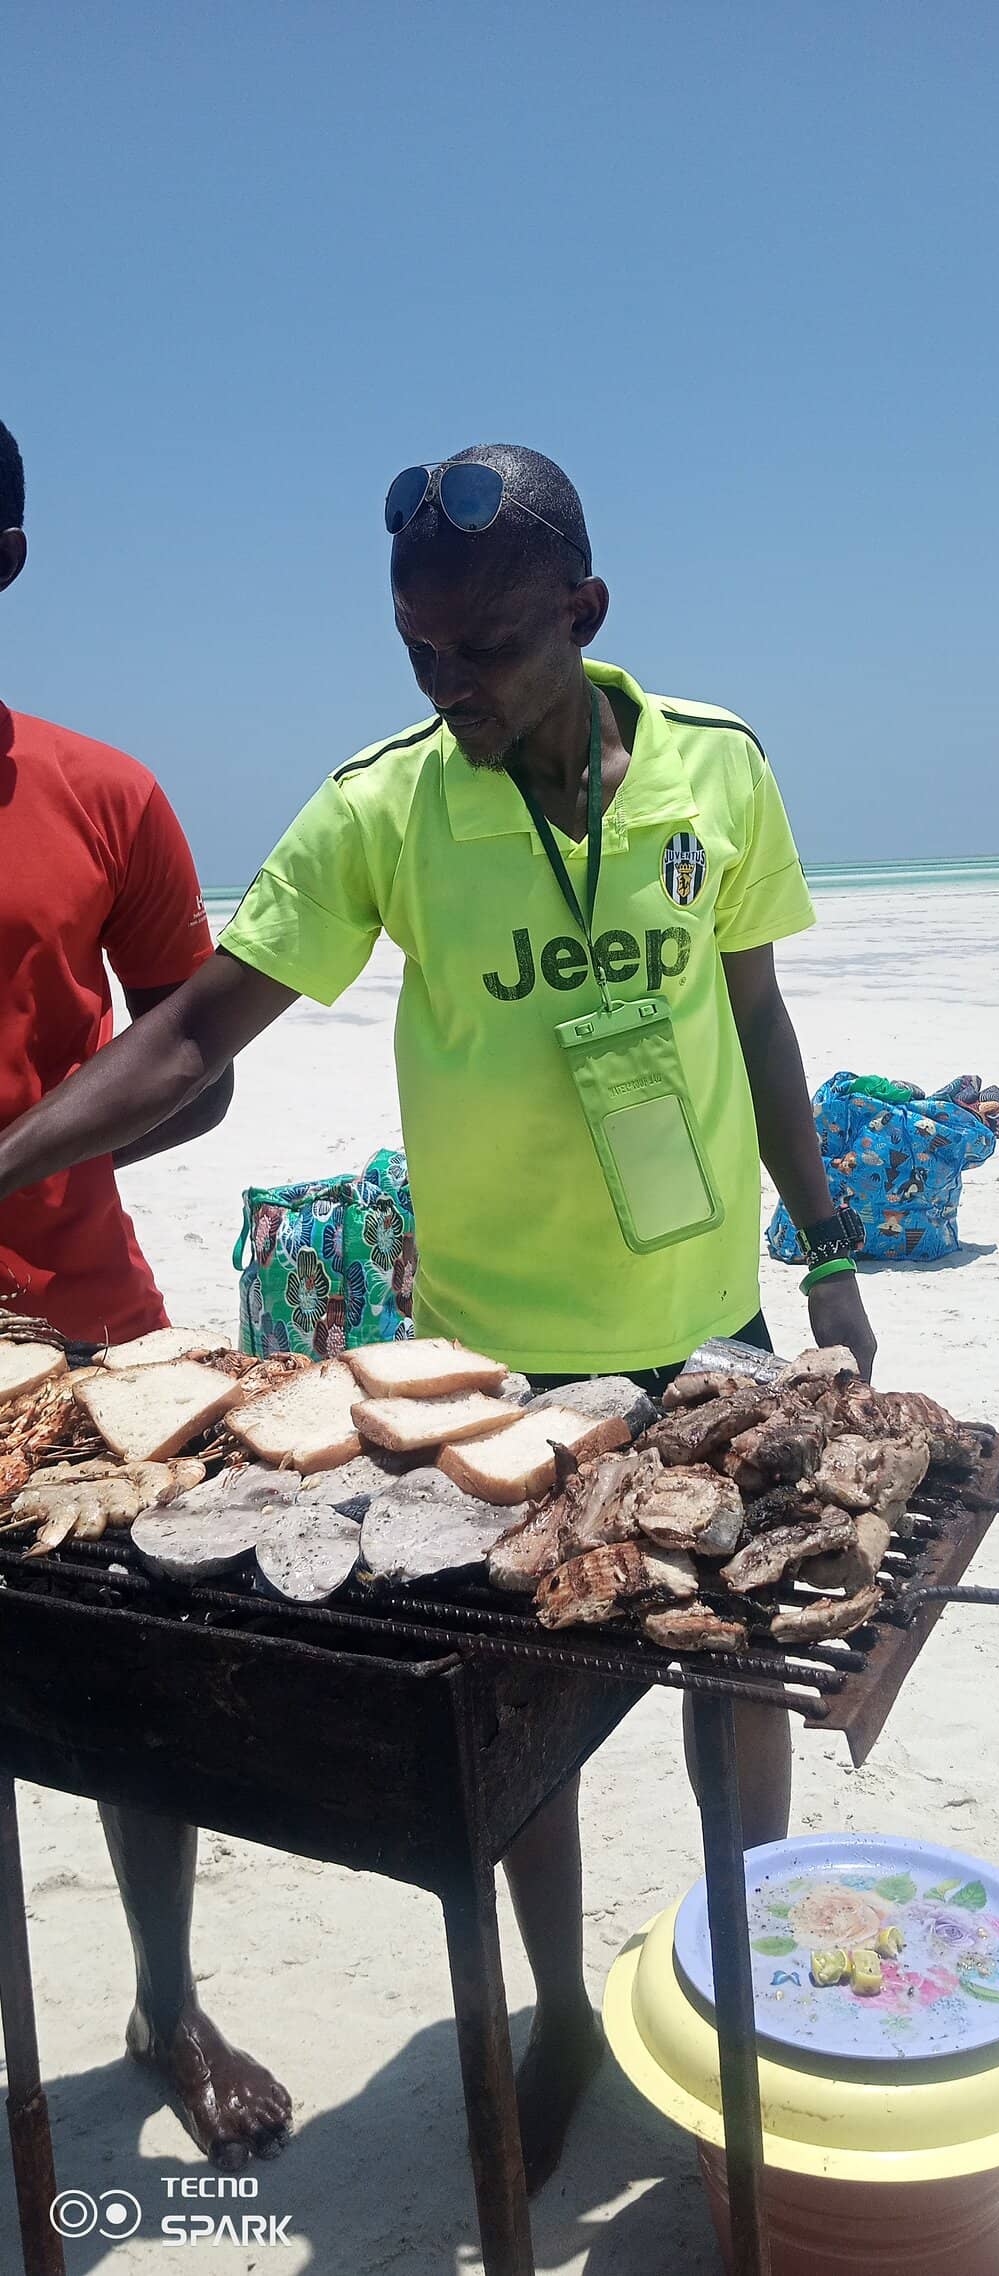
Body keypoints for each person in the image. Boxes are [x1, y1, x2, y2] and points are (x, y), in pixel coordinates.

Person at [0, 441, 875, 2188]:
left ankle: (745, 1987)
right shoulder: (383, 807)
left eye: (484, 649)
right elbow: (186, 1038)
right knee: (508, 1732)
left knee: (739, 1686)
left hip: (708, 1321)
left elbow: (760, 1019)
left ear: (584, 609)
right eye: (419, 653)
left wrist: (829, 1243)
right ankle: (555, 2010)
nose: (450, 687)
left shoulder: (718, 770)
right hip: (488, 1354)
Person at [0, 418, 291, 2165]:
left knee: (134, 1712)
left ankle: (162, 1997)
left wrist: (47, 1165)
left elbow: (204, 1058)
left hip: (89, 1333)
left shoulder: (102, 791)